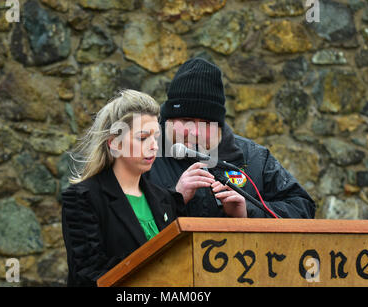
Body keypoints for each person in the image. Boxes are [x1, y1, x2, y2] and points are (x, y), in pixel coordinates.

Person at [146, 57, 316, 219]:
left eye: (206, 122)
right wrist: (174, 198)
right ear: (168, 119)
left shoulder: (254, 157)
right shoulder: (143, 156)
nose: (195, 132)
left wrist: (248, 212)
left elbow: (302, 208)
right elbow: (125, 222)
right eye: (186, 121)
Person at [61, 90, 187, 287]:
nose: (153, 146)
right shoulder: (82, 198)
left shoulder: (165, 199)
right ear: (115, 143)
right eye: (143, 137)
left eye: (156, 137)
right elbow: (89, 274)